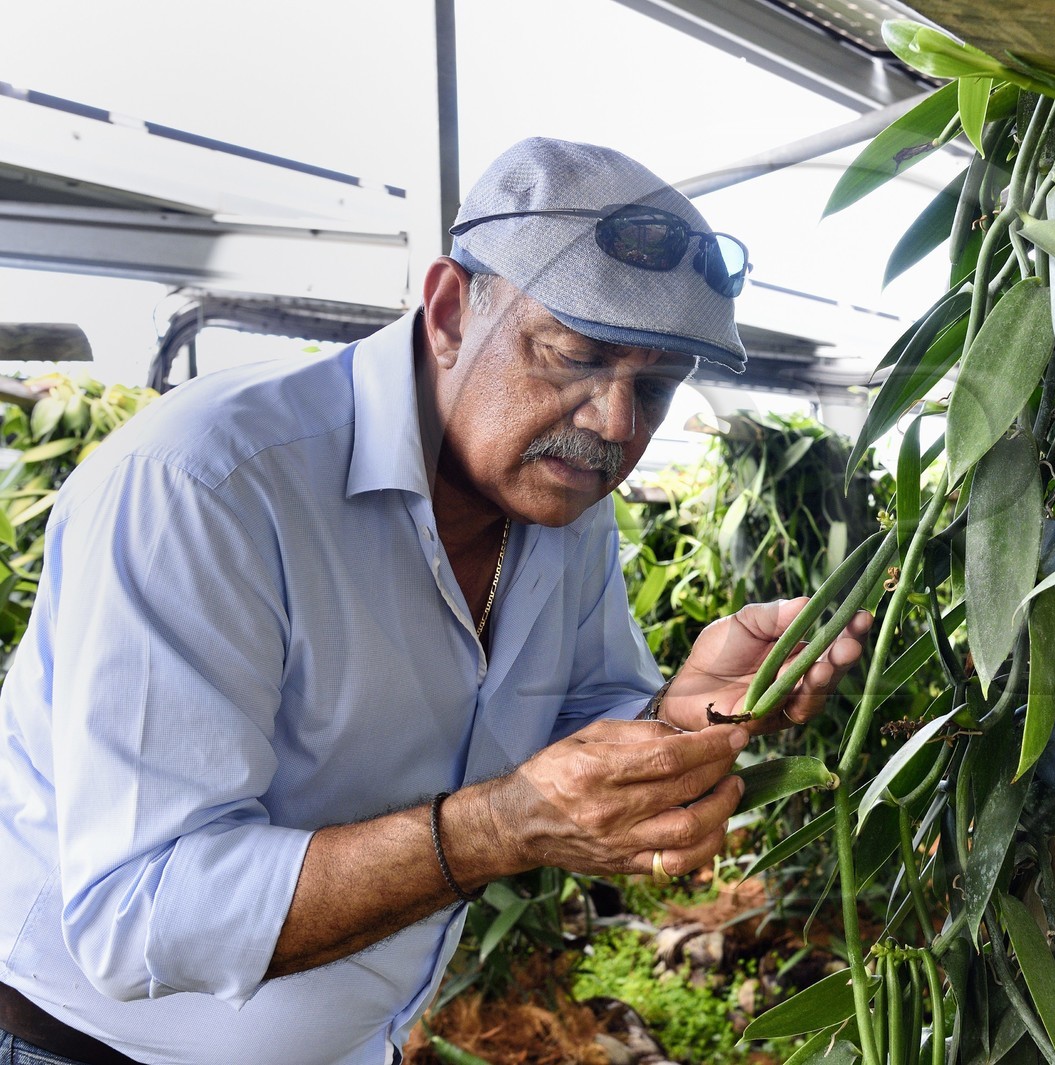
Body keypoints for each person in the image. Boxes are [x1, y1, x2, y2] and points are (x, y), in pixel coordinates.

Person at [0, 138, 873, 1064]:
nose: (615, 426)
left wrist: (679, 712)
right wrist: (496, 829)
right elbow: (138, 916)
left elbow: (579, 714)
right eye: (574, 356)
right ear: (451, 310)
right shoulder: (209, 486)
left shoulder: (564, 510)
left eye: (654, 389)